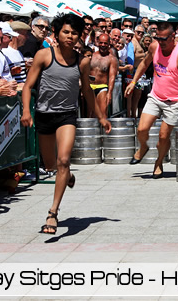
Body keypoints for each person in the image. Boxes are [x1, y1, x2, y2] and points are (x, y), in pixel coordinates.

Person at [21, 13, 111, 235]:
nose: (70, 37)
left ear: (80, 36)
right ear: (57, 33)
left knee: (63, 160)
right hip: (44, 115)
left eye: (74, 33)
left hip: (67, 116)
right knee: (52, 165)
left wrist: (100, 116)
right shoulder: (44, 55)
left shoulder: (82, 61)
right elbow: (27, 86)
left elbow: (87, 90)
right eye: (66, 32)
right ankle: (68, 176)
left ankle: (52, 213)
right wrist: (26, 111)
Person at [124, 22, 178, 179]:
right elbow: (144, 64)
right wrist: (133, 82)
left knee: (163, 136)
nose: (161, 42)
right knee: (141, 129)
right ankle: (143, 147)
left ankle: (158, 162)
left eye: (164, 39)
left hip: (174, 101)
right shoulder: (154, 47)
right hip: (156, 96)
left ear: (172, 37)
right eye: (157, 38)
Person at [89, 33, 118, 119]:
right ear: (97, 42)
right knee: (89, 115)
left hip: (102, 87)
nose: (103, 45)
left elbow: (112, 77)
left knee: (103, 114)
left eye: (105, 43)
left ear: (109, 43)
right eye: (101, 43)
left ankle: (103, 132)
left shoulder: (112, 59)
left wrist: (109, 93)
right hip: (90, 86)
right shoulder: (92, 55)